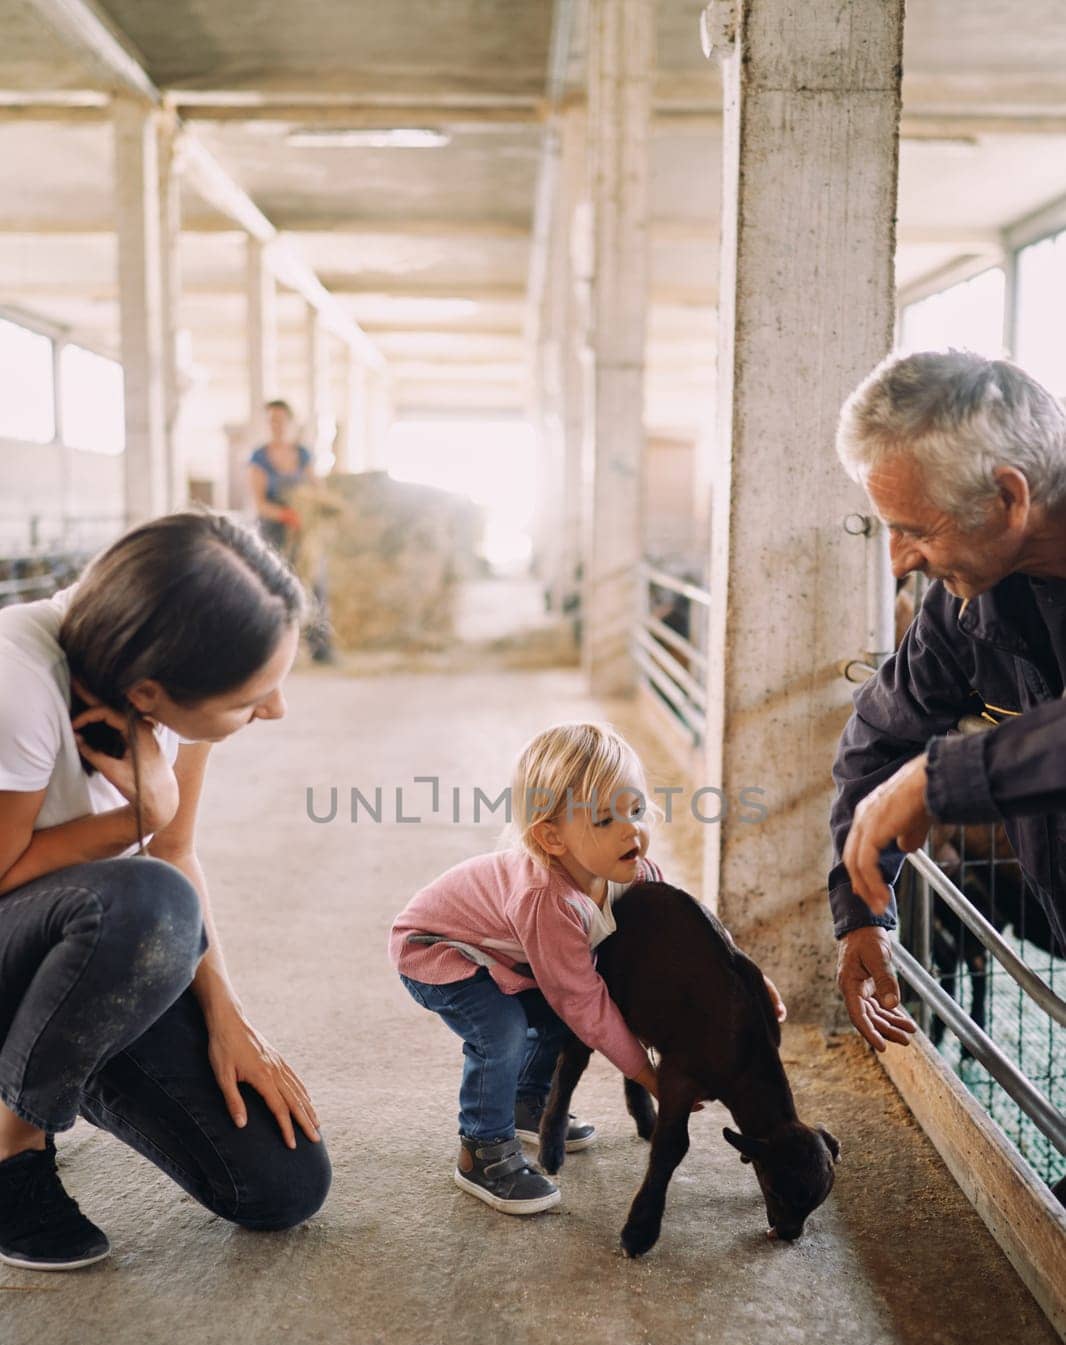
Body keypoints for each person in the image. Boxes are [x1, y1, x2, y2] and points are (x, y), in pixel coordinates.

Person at [0, 512, 331, 1271]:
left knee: (280, 1186)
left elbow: (175, 850)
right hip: (22, 940)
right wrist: (141, 812)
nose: (277, 710)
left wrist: (226, 1017)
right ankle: (12, 1147)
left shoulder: (156, 675)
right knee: (144, 901)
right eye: (254, 697)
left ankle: (49, 1060)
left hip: (76, 962)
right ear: (149, 689)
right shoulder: (17, 679)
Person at [389, 721, 786, 1215]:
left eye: (637, 809)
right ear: (552, 838)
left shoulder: (633, 872)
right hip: (436, 948)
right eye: (604, 820)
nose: (632, 830)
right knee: (504, 1031)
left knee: (559, 1012)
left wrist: (746, 977)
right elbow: (580, 998)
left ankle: (524, 1102)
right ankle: (482, 1150)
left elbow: (692, 926)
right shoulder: (548, 900)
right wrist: (646, 1073)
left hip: (502, 952)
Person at [829, 350, 1066, 1051]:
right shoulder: (969, 600)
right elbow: (879, 734)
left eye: (917, 529)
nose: (898, 560)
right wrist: (862, 910)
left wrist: (943, 776)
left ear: (1009, 496)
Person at [247, 399, 334, 663]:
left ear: (291, 423)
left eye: (281, 420)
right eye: (271, 420)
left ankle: (320, 649)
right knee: (272, 587)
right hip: (274, 530)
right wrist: (287, 514)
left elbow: (316, 488)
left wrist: (322, 505)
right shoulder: (259, 458)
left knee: (315, 583)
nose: (276, 425)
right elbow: (260, 504)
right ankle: (272, 649)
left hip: (302, 530)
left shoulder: (303, 454)